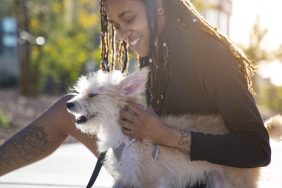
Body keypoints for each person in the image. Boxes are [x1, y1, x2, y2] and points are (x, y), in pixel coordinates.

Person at [0, 0, 271, 187]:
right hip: (154, 164)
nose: (123, 34)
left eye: (128, 18)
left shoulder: (210, 57)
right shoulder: (156, 54)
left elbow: (257, 149)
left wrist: (167, 135)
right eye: (116, 26)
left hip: (197, 176)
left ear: (159, 7)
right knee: (65, 110)